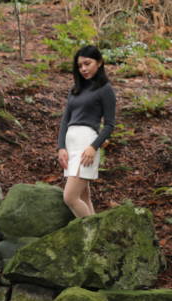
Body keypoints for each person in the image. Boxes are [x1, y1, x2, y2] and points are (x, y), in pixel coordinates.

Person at [57, 45, 116, 217]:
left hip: (86, 145)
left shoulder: (105, 89)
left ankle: (93, 237)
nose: (83, 68)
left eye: (87, 63)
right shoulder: (75, 90)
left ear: (99, 62)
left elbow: (110, 125)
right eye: (79, 65)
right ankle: (97, 238)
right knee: (84, 196)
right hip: (71, 144)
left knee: (70, 197)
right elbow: (65, 121)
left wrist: (93, 147)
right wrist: (61, 147)